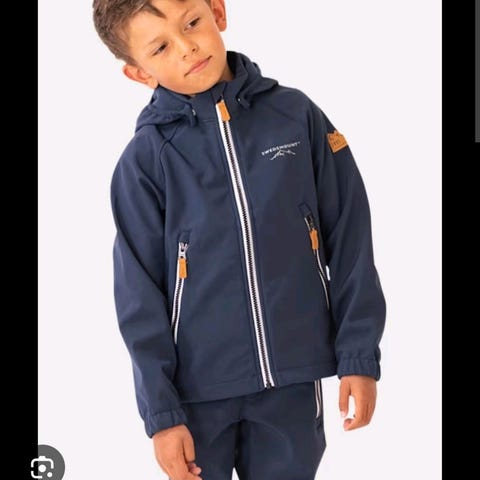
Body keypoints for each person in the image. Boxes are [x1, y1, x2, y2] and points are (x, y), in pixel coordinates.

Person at [93, 1, 386, 479]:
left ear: (217, 11)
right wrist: (162, 414)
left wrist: (358, 354)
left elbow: (351, 234)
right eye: (161, 47)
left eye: (192, 23)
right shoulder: (145, 160)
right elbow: (137, 295)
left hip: (293, 379)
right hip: (197, 396)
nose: (187, 47)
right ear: (139, 73)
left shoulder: (296, 116)